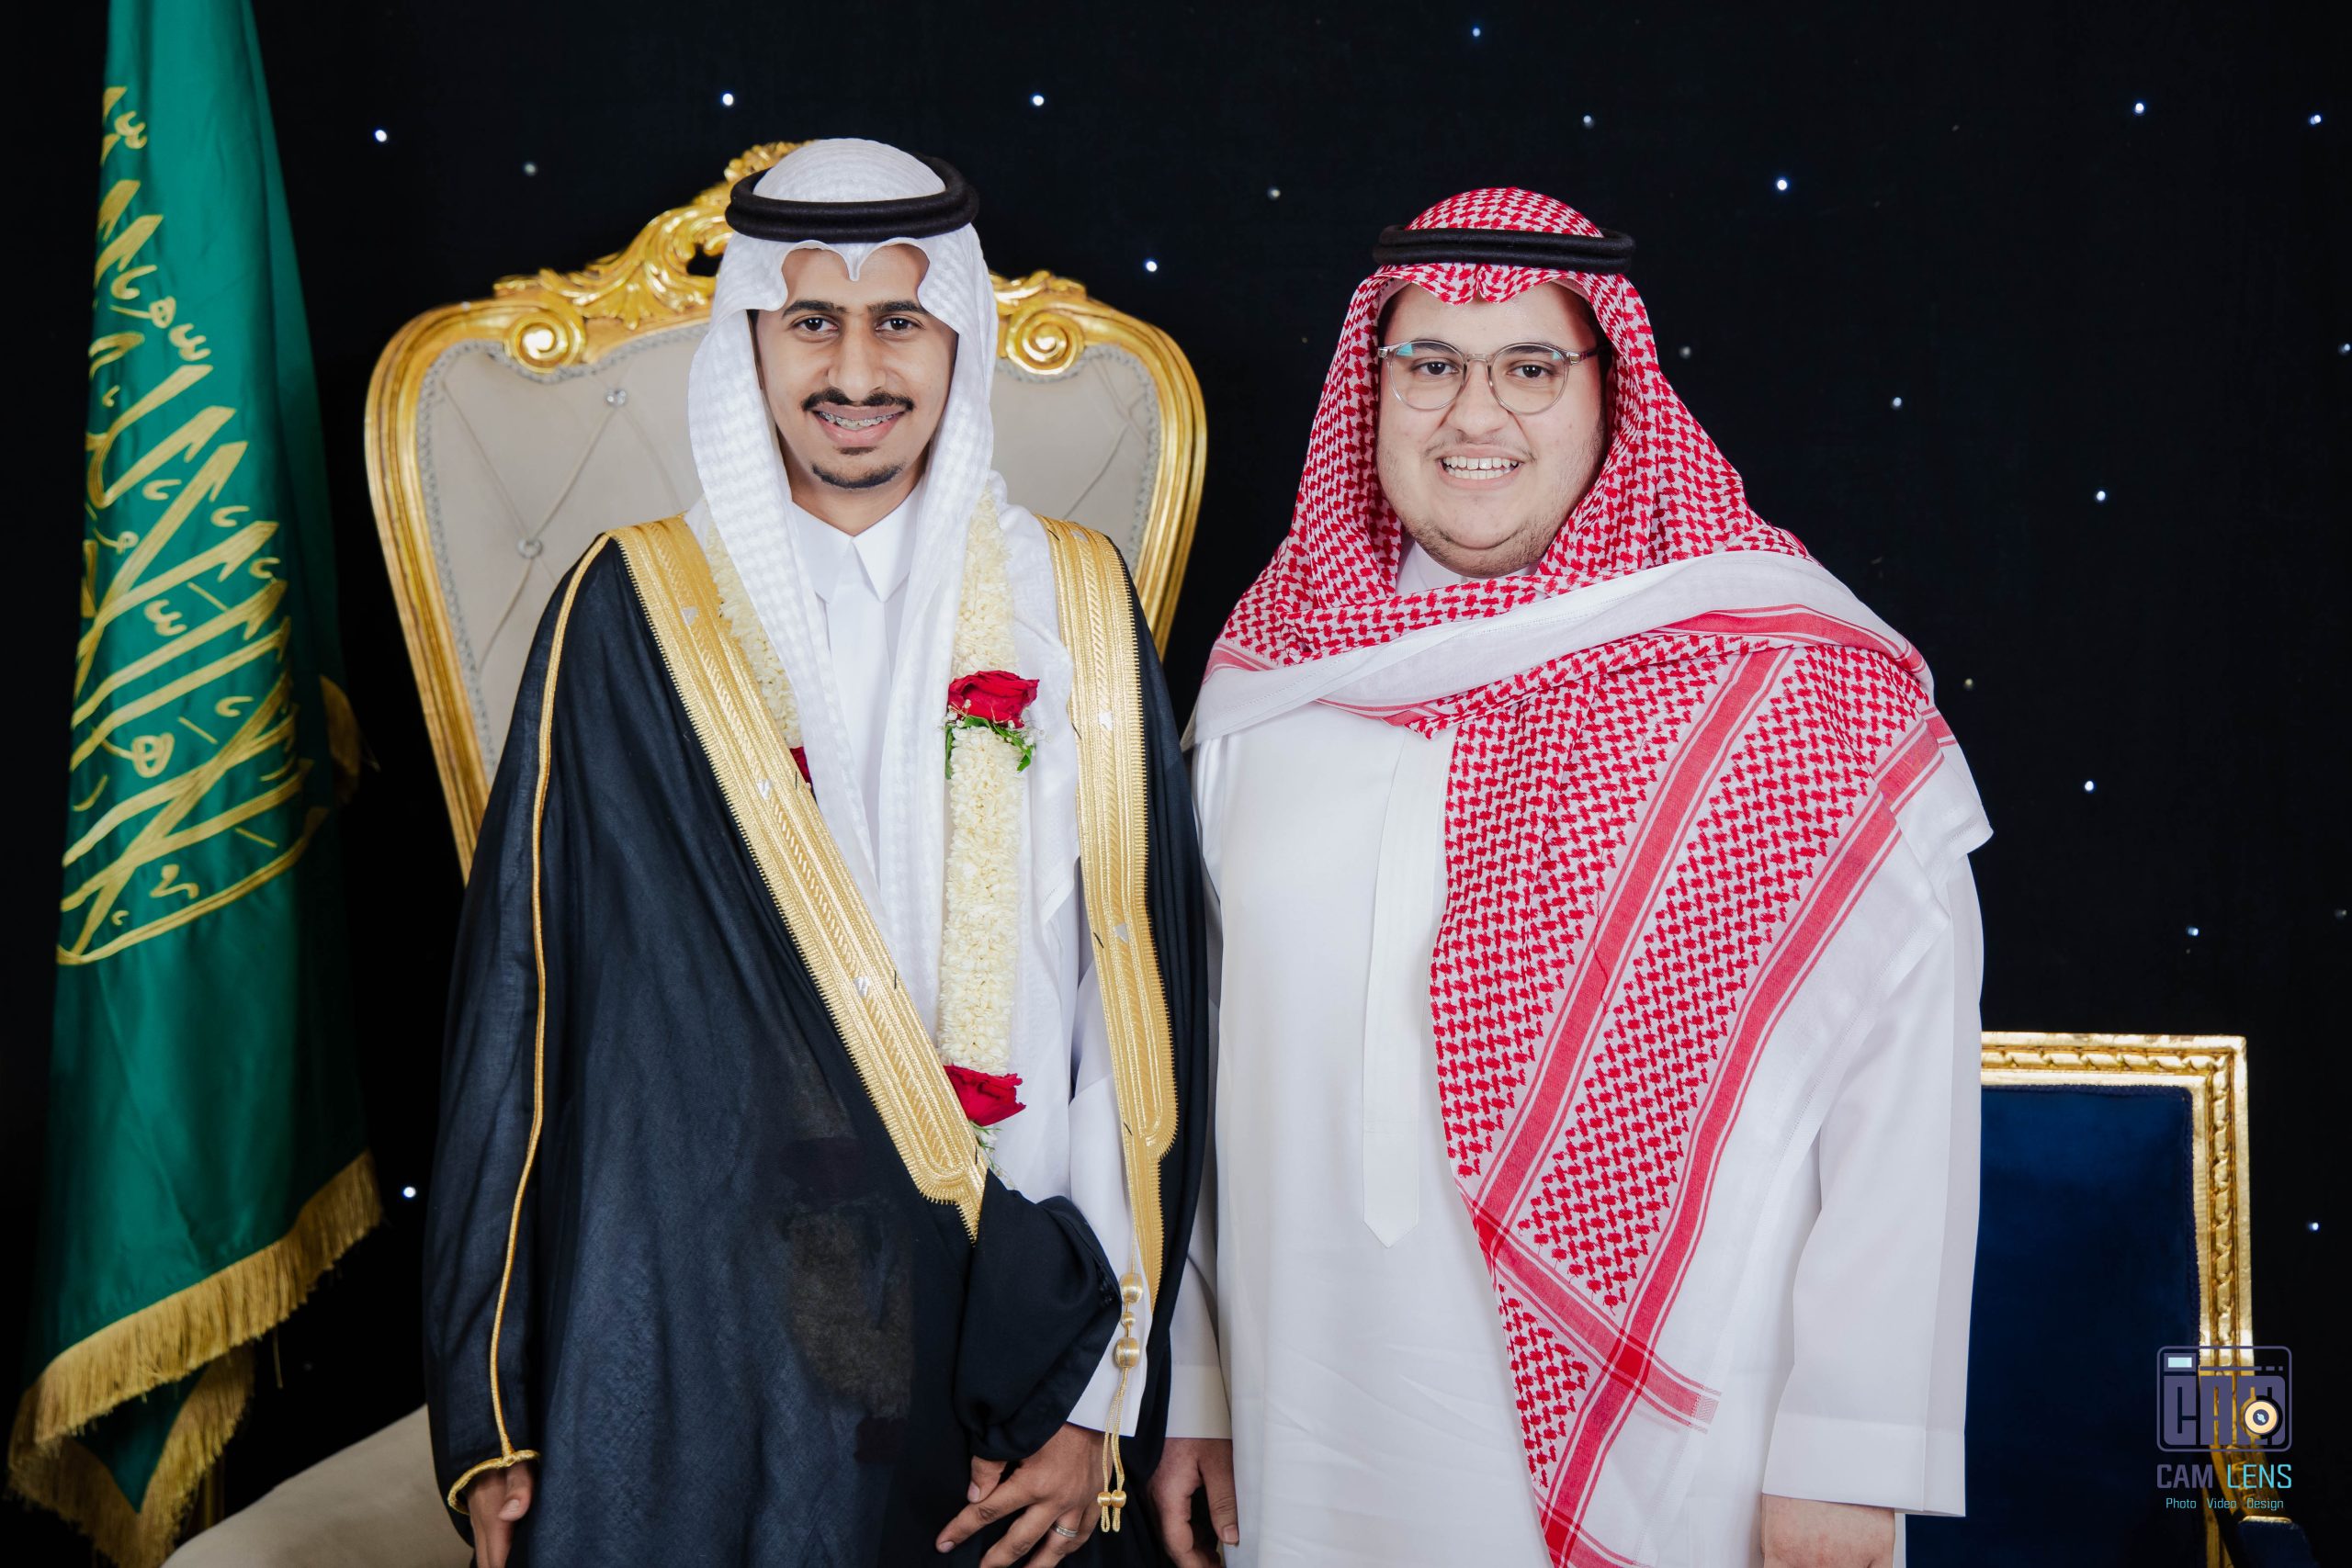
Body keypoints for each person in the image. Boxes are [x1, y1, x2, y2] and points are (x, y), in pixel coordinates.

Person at [1156, 188, 1989, 1568]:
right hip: (1312, 1410)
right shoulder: (1267, 684)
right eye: (1430, 364)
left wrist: (1852, 1455)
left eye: (1532, 368)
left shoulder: (1790, 689)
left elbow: (1904, 1091)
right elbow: (1186, 1056)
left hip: (1693, 1452)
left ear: (1612, 395)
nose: (1473, 415)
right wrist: (1196, 1379)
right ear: (1372, 390)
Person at [422, 139, 1208, 1568]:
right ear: (750, 340)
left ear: (957, 333)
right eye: (811, 321)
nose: (856, 370)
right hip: (703, 1340)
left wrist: (1092, 1398)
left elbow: (1134, 1022)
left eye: (900, 318)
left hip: (1009, 1346)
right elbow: (526, 1013)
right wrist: (497, 1407)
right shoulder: (634, 610)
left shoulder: (1075, 602)